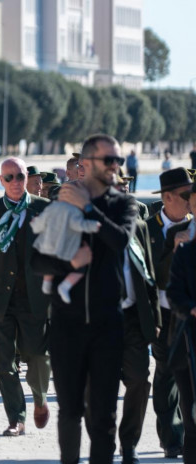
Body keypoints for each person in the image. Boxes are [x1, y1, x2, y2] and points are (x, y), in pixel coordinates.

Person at [32, 134, 138, 463]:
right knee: (70, 412)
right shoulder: (60, 203)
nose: (116, 166)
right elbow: (36, 261)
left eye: (118, 160)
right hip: (67, 324)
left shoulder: (123, 203)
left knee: (103, 417)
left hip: (108, 325)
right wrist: (68, 263)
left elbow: (120, 240)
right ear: (88, 164)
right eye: (109, 160)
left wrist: (88, 207)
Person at [0, 157, 50, 435]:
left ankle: (40, 397)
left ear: (27, 177)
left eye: (19, 176)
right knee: (5, 364)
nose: (15, 182)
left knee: (38, 357)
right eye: (8, 178)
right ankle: (16, 417)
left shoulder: (45, 210)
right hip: (0, 300)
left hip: (36, 299)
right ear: (1, 180)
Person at [112, 173, 162, 464]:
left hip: (132, 319)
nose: (123, 192)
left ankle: (129, 442)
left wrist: (153, 318)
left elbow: (149, 275)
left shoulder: (139, 227)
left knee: (139, 381)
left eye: (125, 187)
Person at [147, 167, 193, 458]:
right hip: (162, 314)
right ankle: (171, 437)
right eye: (184, 195)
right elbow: (145, 273)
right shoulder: (147, 227)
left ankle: (190, 435)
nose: (190, 200)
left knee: (189, 377)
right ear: (166, 197)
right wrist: (171, 246)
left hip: (190, 313)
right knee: (166, 376)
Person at [166, 215, 196, 464]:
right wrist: (192, 308)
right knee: (192, 419)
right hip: (188, 344)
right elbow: (173, 292)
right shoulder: (184, 250)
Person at [31, 199, 100, 304]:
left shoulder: (51, 209)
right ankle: (65, 286)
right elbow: (79, 224)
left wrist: (34, 224)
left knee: (49, 266)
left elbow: (39, 223)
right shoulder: (73, 211)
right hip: (64, 248)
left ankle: (47, 282)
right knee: (80, 269)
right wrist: (94, 226)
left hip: (47, 247)